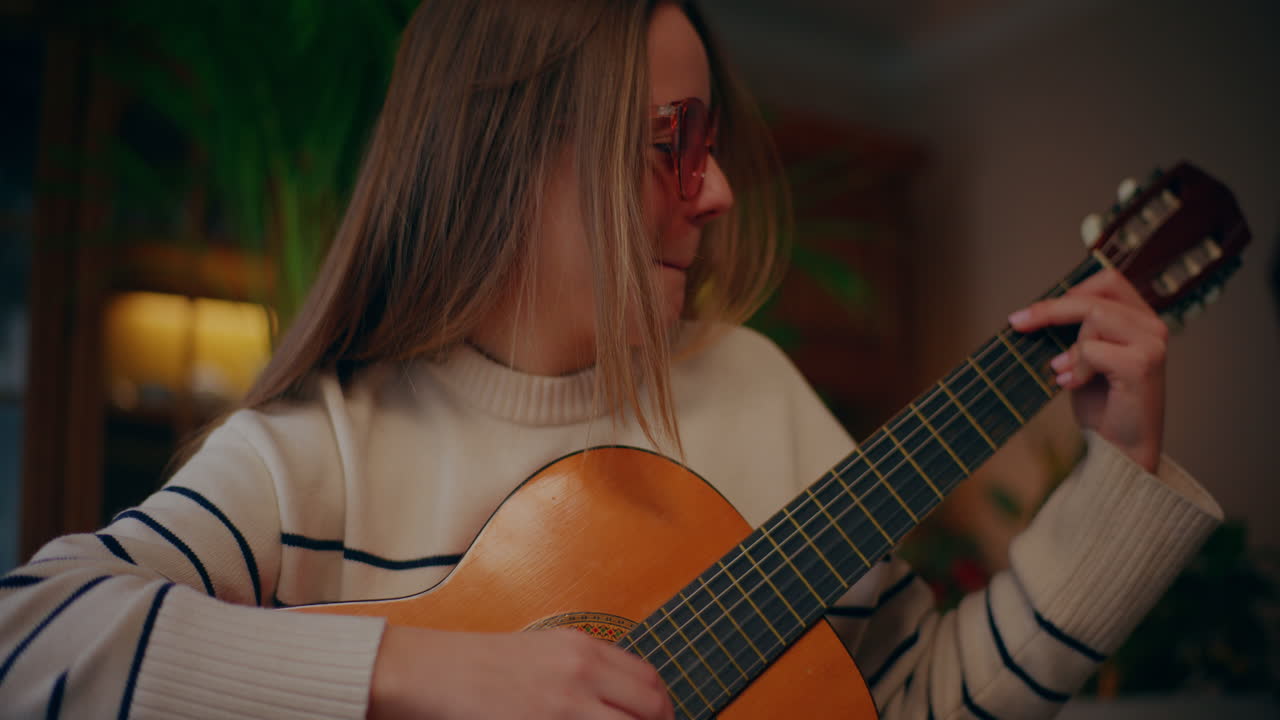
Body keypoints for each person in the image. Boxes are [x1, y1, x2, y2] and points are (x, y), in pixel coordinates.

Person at [0, 1, 1222, 718]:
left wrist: (1116, 478)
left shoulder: (751, 393)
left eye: (712, 144)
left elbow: (902, 697)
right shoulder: (316, 450)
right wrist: (439, 673)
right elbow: (29, 641)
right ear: (510, 153)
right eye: (665, 145)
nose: (719, 191)